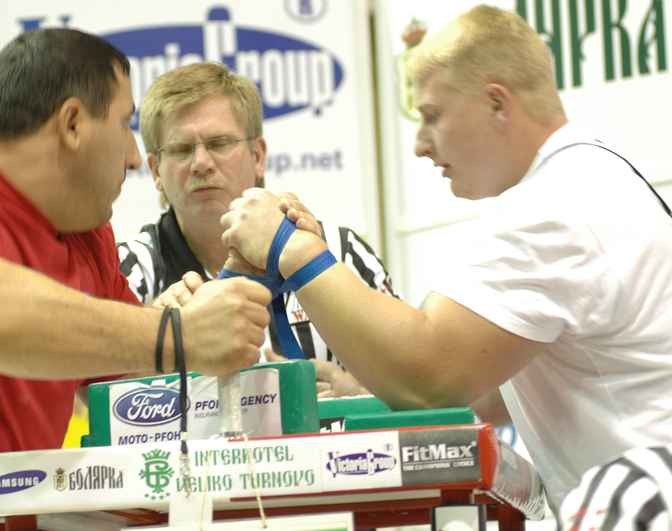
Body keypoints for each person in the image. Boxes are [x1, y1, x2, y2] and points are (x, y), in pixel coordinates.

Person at [220, 4, 672, 514]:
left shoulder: (553, 207)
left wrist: (292, 249)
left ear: (496, 103)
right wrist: (366, 386)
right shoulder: (592, 176)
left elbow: (429, 374)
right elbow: (489, 392)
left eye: (432, 115)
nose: (417, 144)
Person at [0, 29, 270, 530]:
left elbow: (132, 378)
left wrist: (235, 282)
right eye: (125, 125)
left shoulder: (86, 235)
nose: (131, 156)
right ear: (74, 123)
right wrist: (176, 334)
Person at [118, 62, 397, 396]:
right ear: (155, 171)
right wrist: (159, 336)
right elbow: (89, 399)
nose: (202, 163)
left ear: (258, 156)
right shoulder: (128, 270)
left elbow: (417, 379)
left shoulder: (342, 251)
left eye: (219, 143)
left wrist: (357, 395)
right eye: (180, 149)